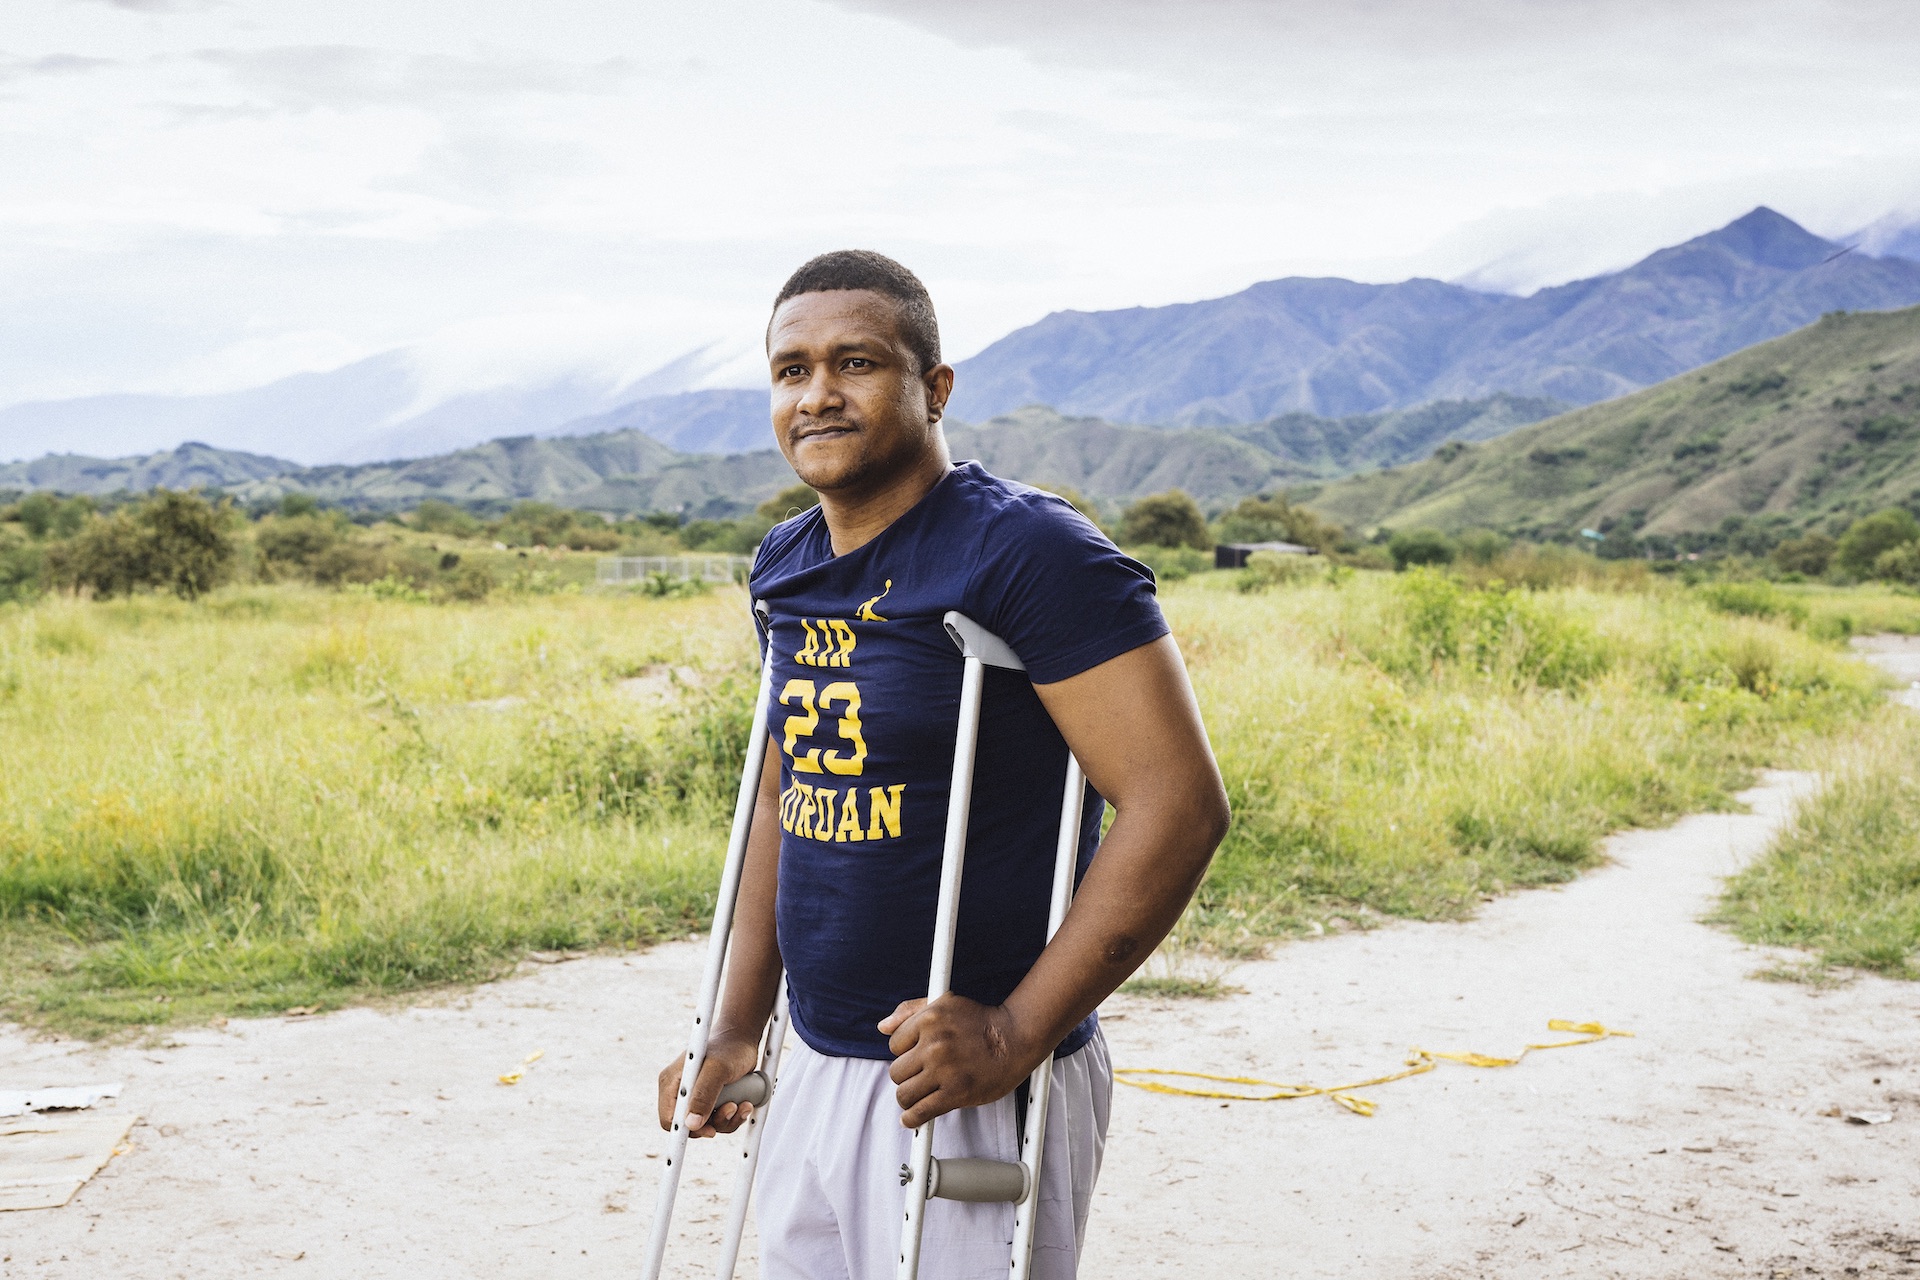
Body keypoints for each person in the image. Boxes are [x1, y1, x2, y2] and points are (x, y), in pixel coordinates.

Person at [657, 250, 1230, 1279]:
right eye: (791, 371)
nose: (818, 394)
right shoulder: (785, 566)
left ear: (934, 388)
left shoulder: (1031, 553)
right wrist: (737, 1026)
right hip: (821, 1056)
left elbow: (1177, 803)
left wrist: (1014, 1029)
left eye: (856, 362)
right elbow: (788, 793)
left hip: (966, 1076)